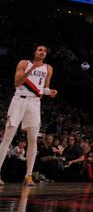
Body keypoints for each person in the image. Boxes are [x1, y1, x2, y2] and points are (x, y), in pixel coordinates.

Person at [0, 45, 57, 186]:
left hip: (34, 103)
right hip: (20, 99)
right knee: (7, 137)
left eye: (44, 50)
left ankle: (28, 175)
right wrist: (31, 70)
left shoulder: (48, 68)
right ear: (35, 52)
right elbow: (17, 83)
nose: (42, 52)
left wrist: (50, 92)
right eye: (40, 50)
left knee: (32, 139)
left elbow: (44, 89)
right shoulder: (24, 63)